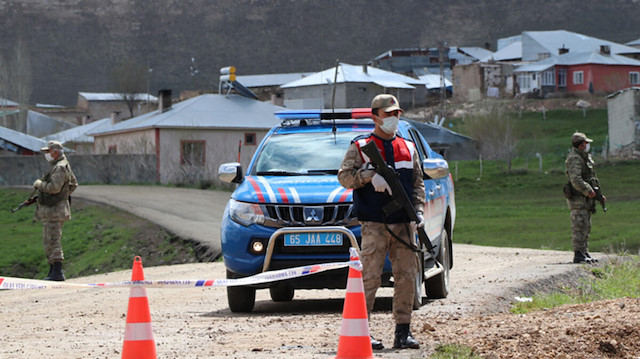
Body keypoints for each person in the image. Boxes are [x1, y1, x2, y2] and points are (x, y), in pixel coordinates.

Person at [338, 94, 425, 350]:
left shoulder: (408, 147)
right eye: (388, 114)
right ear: (375, 115)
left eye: (396, 114)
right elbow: (344, 177)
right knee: (370, 278)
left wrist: (417, 212)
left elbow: (417, 183)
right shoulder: (361, 146)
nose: (393, 119)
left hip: (403, 225)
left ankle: (403, 331)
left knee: (407, 276)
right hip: (374, 224)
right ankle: (361, 332)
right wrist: (367, 176)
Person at [33, 140, 78, 281]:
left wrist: (40, 185)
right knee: (49, 240)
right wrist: (62, 196)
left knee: (52, 241)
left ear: (55, 152)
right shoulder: (61, 165)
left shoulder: (59, 167)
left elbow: (54, 188)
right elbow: (73, 184)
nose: (47, 155)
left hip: (54, 211)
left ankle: (57, 272)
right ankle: (53, 271)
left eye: (48, 152)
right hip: (55, 210)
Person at [565, 132, 604, 264]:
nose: (587, 145)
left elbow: (591, 177)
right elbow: (575, 179)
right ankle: (578, 254)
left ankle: (584, 251)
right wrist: (588, 190)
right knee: (579, 225)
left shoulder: (584, 157)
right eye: (585, 143)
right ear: (581, 145)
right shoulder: (575, 158)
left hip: (586, 199)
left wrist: (598, 195)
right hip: (578, 199)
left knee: (586, 225)